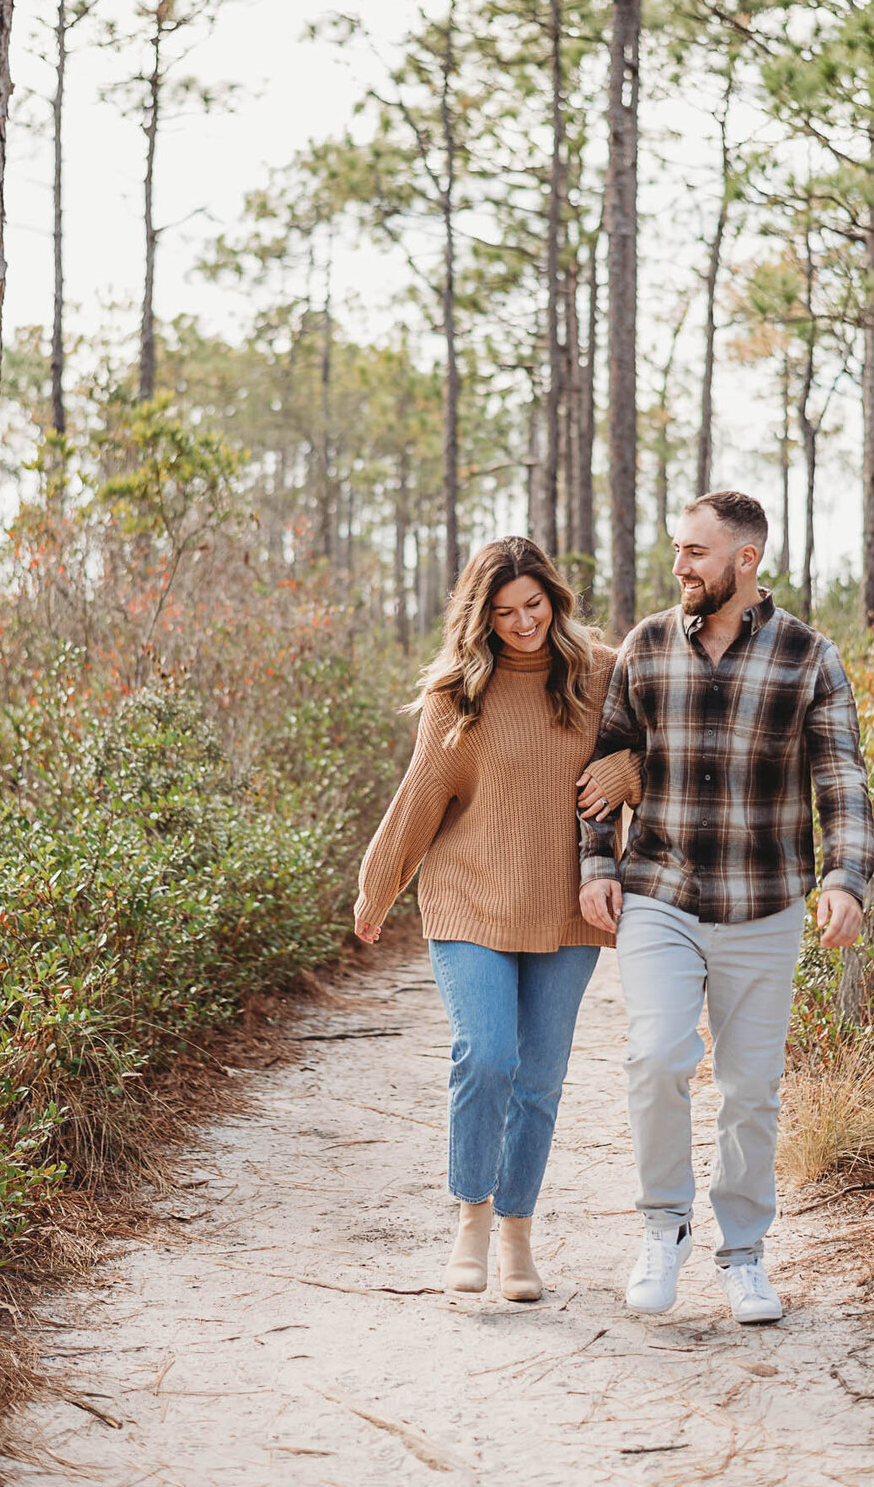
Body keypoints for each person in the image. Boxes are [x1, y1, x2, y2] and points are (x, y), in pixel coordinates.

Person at [579, 491, 874, 1325]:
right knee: (655, 1058)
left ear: (746, 560)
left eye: (697, 553)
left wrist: (847, 879)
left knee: (751, 1089)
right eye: (678, 550)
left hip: (765, 905)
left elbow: (842, 780)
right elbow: (603, 764)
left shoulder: (808, 657)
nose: (680, 567)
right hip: (660, 896)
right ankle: (663, 1227)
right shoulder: (645, 647)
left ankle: (743, 1252)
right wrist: (596, 863)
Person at [355, 537, 640, 1302]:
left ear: (556, 599)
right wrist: (375, 890)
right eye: (506, 611)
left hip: (567, 908)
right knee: (486, 1057)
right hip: (469, 899)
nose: (523, 624)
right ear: (481, 615)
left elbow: (662, 753)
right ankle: (472, 1217)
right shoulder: (460, 694)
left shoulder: (600, 673)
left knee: (539, 1079)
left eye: (534, 607)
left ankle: (518, 1234)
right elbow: (421, 798)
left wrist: (632, 772)